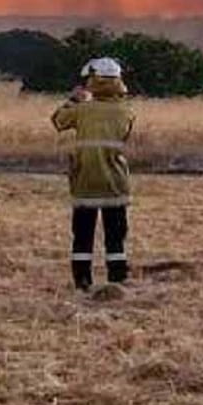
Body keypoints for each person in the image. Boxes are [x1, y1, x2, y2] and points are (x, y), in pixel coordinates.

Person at [52, 57, 136, 291]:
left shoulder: (81, 110)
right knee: (116, 238)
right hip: (115, 183)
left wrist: (73, 99)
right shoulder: (126, 112)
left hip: (85, 182)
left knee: (82, 236)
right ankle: (117, 281)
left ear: (94, 79)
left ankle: (82, 281)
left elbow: (58, 121)